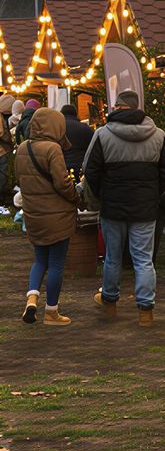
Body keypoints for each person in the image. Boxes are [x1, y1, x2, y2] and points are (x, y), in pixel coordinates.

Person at [83, 90, 165, 327]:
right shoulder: (158, 135)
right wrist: (152, 194)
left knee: (112, 258)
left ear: (118, 108)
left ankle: (110, 302)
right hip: (145, 208)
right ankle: (145, 311)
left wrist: (102, 195)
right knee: (143, 259)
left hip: (113, 207)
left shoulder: (103, 135)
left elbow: (90, 170)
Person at [14, 108, 80, 325]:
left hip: (34, 214)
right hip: (57, 215)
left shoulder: (23, 147)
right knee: (57, 263)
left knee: (40, 260)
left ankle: (32, 299)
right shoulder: (53, 149)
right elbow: (62, 183)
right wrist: (75, 195)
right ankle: (52, 311)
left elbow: (20, 179)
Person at [60, 104, 95, 179]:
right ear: (76, 114)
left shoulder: (58, 128)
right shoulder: (84, 128)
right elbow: (93, 146)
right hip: (81, 166)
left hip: (62, 166)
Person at [0, 94, 15, 204]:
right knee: (3, 174)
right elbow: (1, 133)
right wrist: (9, 141)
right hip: (1, 151)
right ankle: (2, 198)